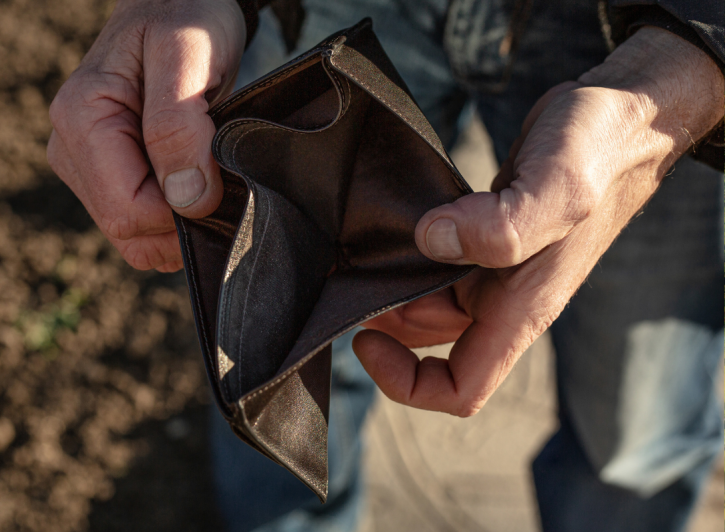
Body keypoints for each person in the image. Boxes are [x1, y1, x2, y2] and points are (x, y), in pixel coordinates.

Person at [46, 0, 725, 530]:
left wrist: (684, 71)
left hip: (644, 28)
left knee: (636, 424)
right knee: (273, 361)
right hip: (329, 16)